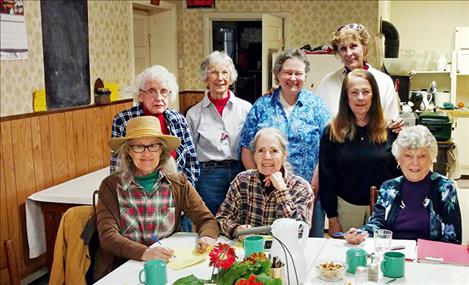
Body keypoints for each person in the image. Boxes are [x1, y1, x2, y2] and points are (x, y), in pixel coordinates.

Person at [94, 116, 218, 280]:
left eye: (153, 146)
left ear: (162, 150)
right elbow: (108, 237)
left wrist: (207, 236)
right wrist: (145, 252)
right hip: (123, 266)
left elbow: (206, 219)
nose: (146, 153)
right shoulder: (111, 186)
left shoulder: (178, 183)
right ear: (129, 151)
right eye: (138, 146)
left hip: (169, 265)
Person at [239, 48, 331, 237]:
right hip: (267, 193)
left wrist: (315, 184)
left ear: (306, 75)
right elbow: (247, 148)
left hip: (308, 191)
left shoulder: (317, 106)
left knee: (307, 242)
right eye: (287, 72)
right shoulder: (262, 106)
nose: (293, 78)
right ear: (277, 75)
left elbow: (328, 150)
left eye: (298, 73)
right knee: (269, 245)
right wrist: (258, 179)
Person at [344, 125, 462, 245]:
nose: (415, 163)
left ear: (431, 158)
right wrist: (360, 233)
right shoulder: (389, 187)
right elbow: (377, 223)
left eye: (422, 156)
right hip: (392, 254)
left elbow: (452, 237)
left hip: (429, 257)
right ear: (398, 159)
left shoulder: (445, 188)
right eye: (408, 156)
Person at [319, 69, 401, 237]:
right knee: (349, 257)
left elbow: (399, 174)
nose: (360, 98)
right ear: (346, 97)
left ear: (374, 95)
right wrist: (332, 218)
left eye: (366, 92)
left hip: (383, 209)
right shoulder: (332, 131)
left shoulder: (391, 130)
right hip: (347, 209)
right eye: (354, 92)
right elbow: (327, 176)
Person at [186, 51, 252, 215]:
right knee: (213, 221)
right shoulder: (194, 114)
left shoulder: (246, 109)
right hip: (209, 176)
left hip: (240, 172)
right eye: (213, 72)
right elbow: (190, 153)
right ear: (205, 77)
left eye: (225, 72)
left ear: (231, 77)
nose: (220, 78)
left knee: (241, 219)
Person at [217, 128, 313, 239]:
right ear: (254, 155)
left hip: (283, 252)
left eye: (274, 151)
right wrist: (236, 229)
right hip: (248, 251)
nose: (267, 157)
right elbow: (221, 219)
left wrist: (282, 191)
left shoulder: (301, 187)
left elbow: (300, 232)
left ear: (284, 155)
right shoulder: (242, 180)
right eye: (261, 150)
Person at [110, 65, 199, 186]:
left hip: (177, 189)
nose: (159, 98)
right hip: (137, 191)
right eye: (152, 91)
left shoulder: (178, 119)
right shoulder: (123, 120)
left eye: (164, 91)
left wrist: (186, 190)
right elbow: (118, 167)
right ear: (140, 95)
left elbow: (191, 161)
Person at [316, 23, 402, 132]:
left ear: (364, 47)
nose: (348, 53)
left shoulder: (384, 82)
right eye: (343, 48)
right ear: (338, 53)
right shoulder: (327, 83)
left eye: (353, 46)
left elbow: (391, 124)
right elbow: (319, 122)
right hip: (338, 145)